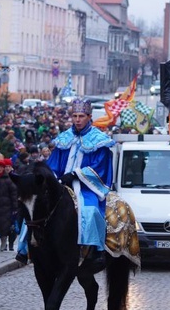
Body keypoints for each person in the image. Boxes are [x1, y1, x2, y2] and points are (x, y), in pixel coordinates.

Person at [43, 98, 116, 271]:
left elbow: (101, 168)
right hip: (61, 184)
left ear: (89, 117)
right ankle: (28, 247)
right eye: (74, 116)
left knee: (90, 212)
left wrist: (77, 174)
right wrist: (52, 177)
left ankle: (95, 251)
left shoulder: (99, 140)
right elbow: (53, 163)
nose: (77, 119)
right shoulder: (64, 138)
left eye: (81, 116)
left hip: (85, 187)